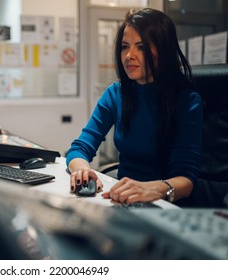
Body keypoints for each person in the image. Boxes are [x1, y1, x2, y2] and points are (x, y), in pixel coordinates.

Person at [66, 8, 203, 205]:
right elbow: (80, 147)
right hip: (122, 200)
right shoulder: (116, 93)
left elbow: (186, 181)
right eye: (124, 46)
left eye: (141, 46)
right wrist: (81, 169)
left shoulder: (187, 101)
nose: (129, 55)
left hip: (167, 206)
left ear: (163, 50)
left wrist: (150, 189)